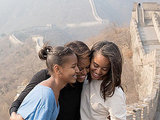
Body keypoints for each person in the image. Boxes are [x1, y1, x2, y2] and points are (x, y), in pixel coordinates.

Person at [9, 41, 90, 120]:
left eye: (87, 67)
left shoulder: (82, 83)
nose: (84, 72)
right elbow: (19, 103)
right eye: (77, 67)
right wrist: (14, 115)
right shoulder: (45, 81)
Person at [80, 41, 126, 120]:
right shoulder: (84, 79)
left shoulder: (114, 92)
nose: (98, 71)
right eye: (95, 65)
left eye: (104, 69)